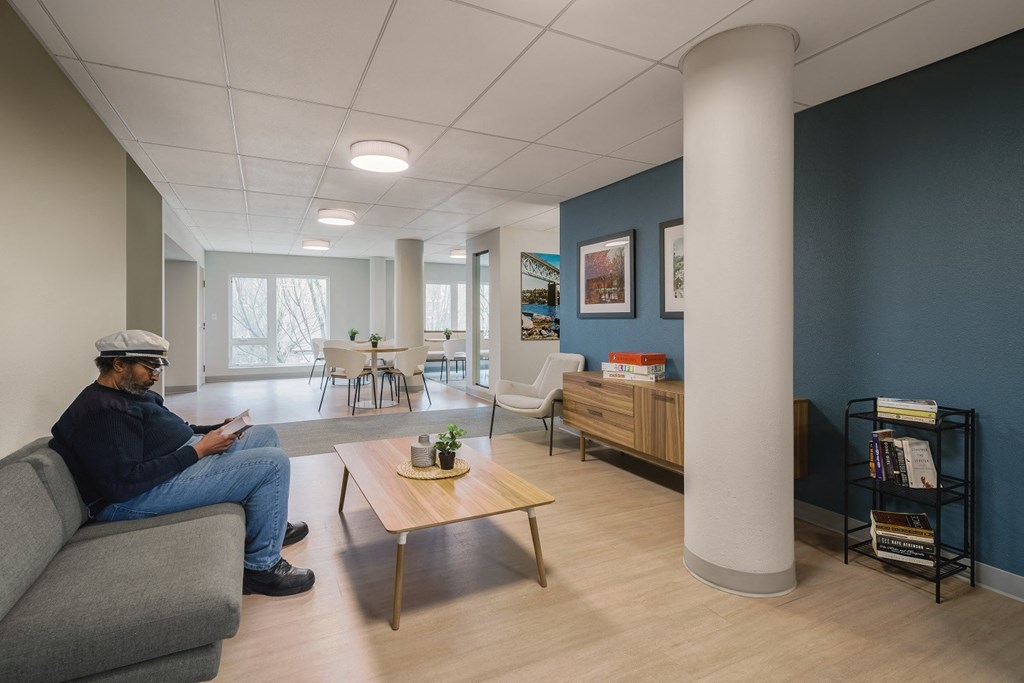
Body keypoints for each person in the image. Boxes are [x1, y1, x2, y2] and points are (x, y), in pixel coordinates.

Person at [50, 330, 315, 597]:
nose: (155, 376)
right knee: (272, 464)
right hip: (130, 499)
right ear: (118, 364)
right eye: (149, 367)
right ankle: (261, 570)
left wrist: (216, 429)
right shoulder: (105, 411)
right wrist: (199, 451)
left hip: (169, 462)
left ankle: (267, 530)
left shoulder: (133, 393)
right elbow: (124, 483)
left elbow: (177, 430)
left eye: (158, 368)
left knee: (265, 434)